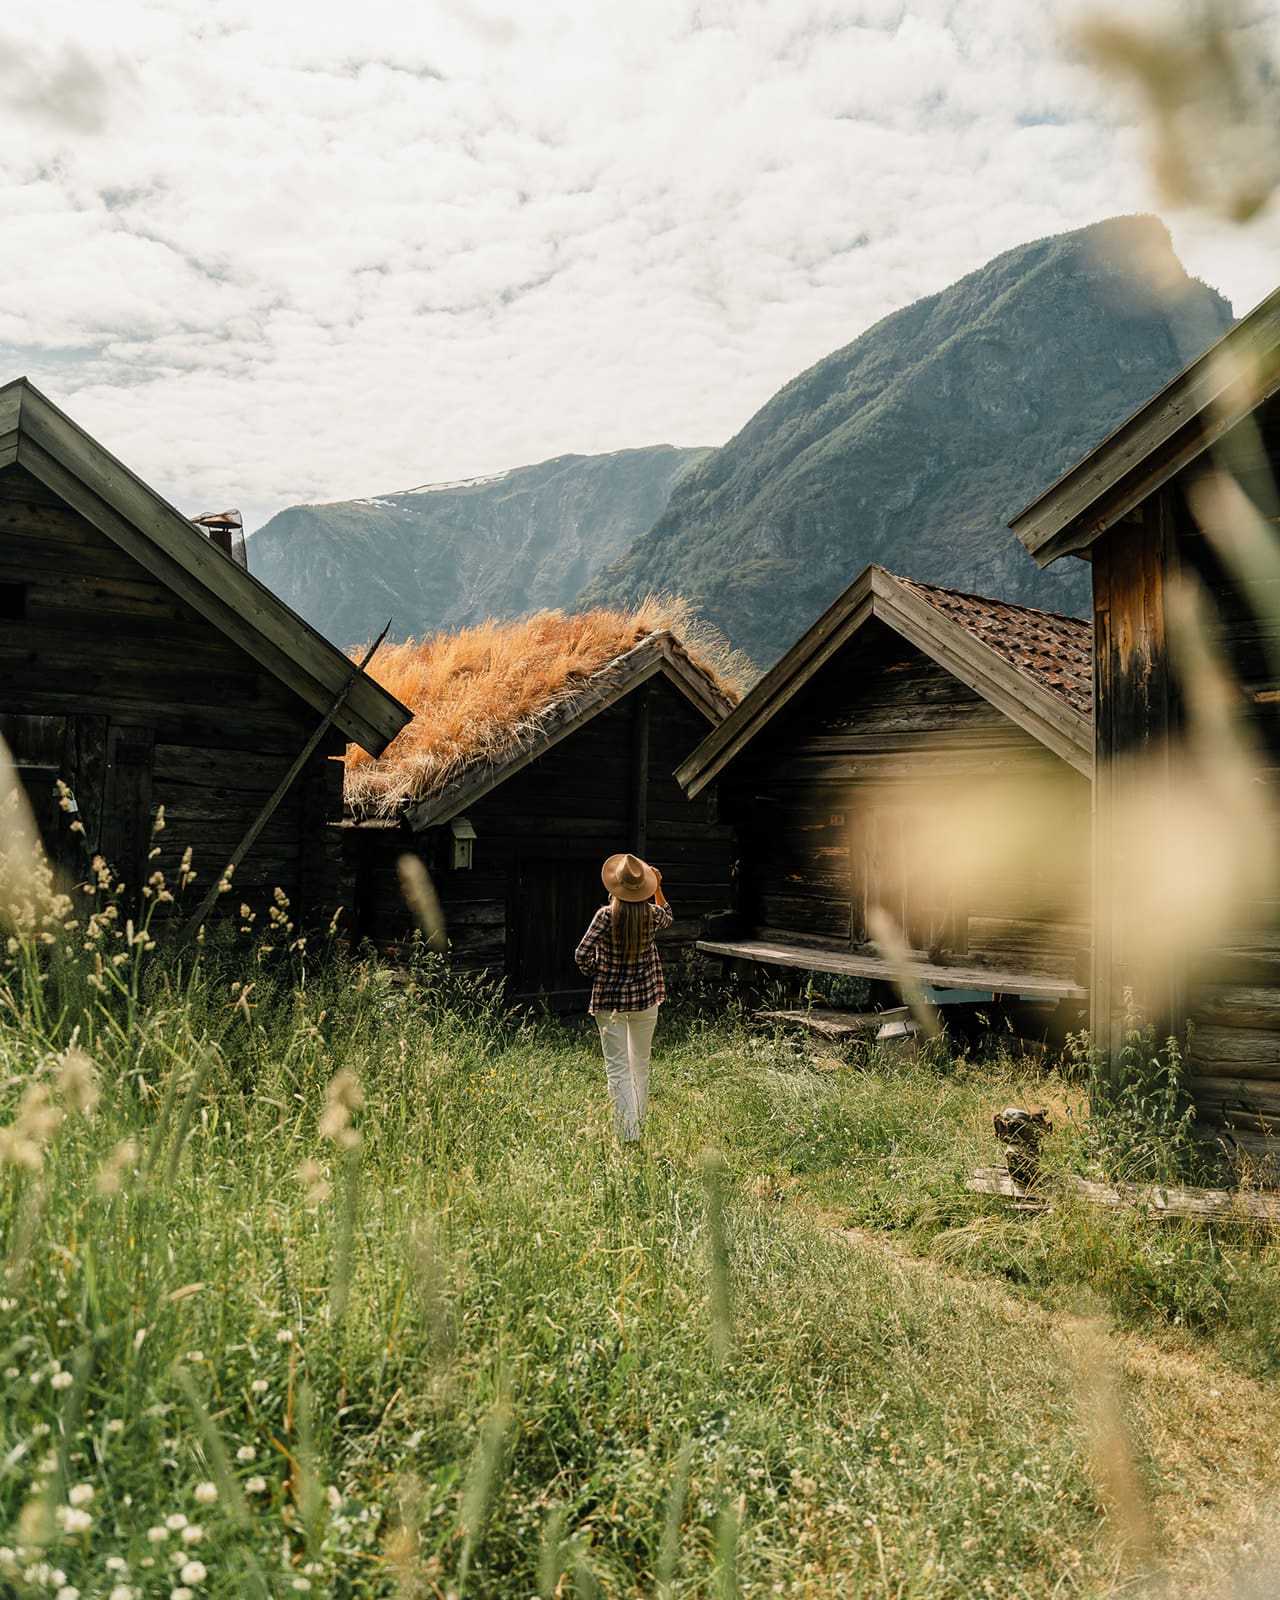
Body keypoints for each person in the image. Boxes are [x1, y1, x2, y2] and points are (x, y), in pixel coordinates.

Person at [575, 853, 672, 1143]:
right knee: (640, 1063)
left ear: (615, 885)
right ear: (643, 886)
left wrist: (597, 969)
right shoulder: (652, 916)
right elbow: (668, 914)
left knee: (617, 1066)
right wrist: (658, 888)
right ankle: (637, 1123)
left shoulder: (605, 916)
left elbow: (581, 954)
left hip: (609, 1001)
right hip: (645, 999)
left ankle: (628, 1134)